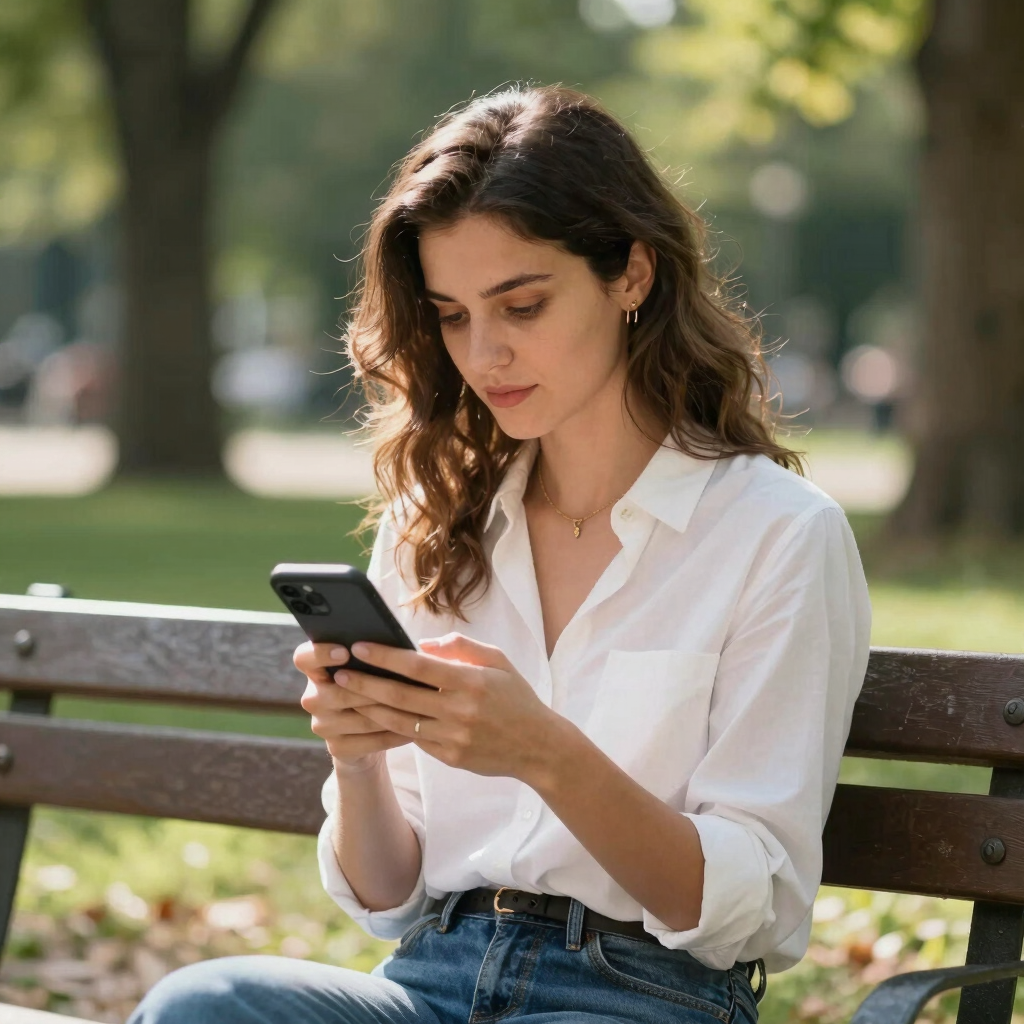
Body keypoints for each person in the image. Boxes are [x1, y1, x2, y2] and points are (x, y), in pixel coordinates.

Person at [131, 84, 871, 1024]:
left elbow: (751, 907)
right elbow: (388, 896)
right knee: (207, 1002)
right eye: (451, 314)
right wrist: (358, 758)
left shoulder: (778, 535)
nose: (485, 355)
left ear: (631, 275)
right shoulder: (438, 525)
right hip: (433, 980)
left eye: (521, 304)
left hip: (640, 1000)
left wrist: (548, 756)